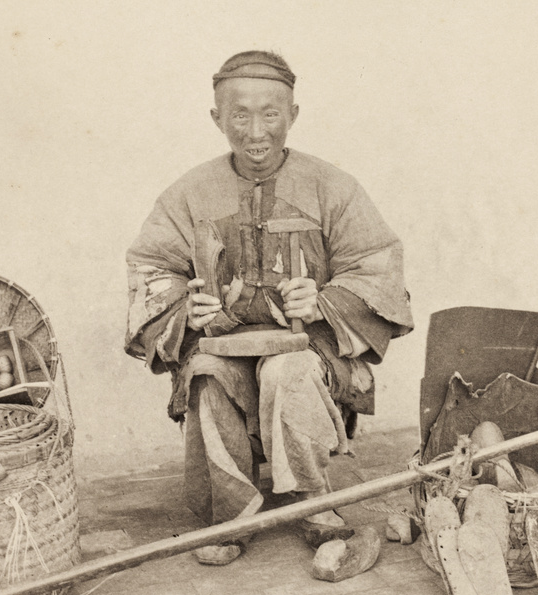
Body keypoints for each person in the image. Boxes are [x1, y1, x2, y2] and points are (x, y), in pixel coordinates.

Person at [125, 50, 413, 565]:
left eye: (271, 114)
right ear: (218, 119)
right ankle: (232, 516)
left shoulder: (332, 187)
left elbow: (377, 266)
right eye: (240, 115)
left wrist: (323, 301)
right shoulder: (188, 193)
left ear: (293, 116)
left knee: (289, 369)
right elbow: (150, 266)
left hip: (311, 346)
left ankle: (314, 504)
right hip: (222, 342)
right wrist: (185, 307)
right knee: (208, 374)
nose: (256, 131)